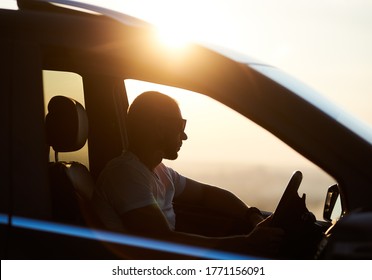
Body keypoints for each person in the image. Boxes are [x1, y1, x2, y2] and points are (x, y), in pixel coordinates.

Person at [93, 91, 283, 257]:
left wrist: (252, 215)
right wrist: (246, 243)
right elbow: (163, 243)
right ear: (159, 127)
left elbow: (206, 194)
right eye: (180, 125)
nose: (184, 136)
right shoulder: (125, 174)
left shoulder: (159, 172)